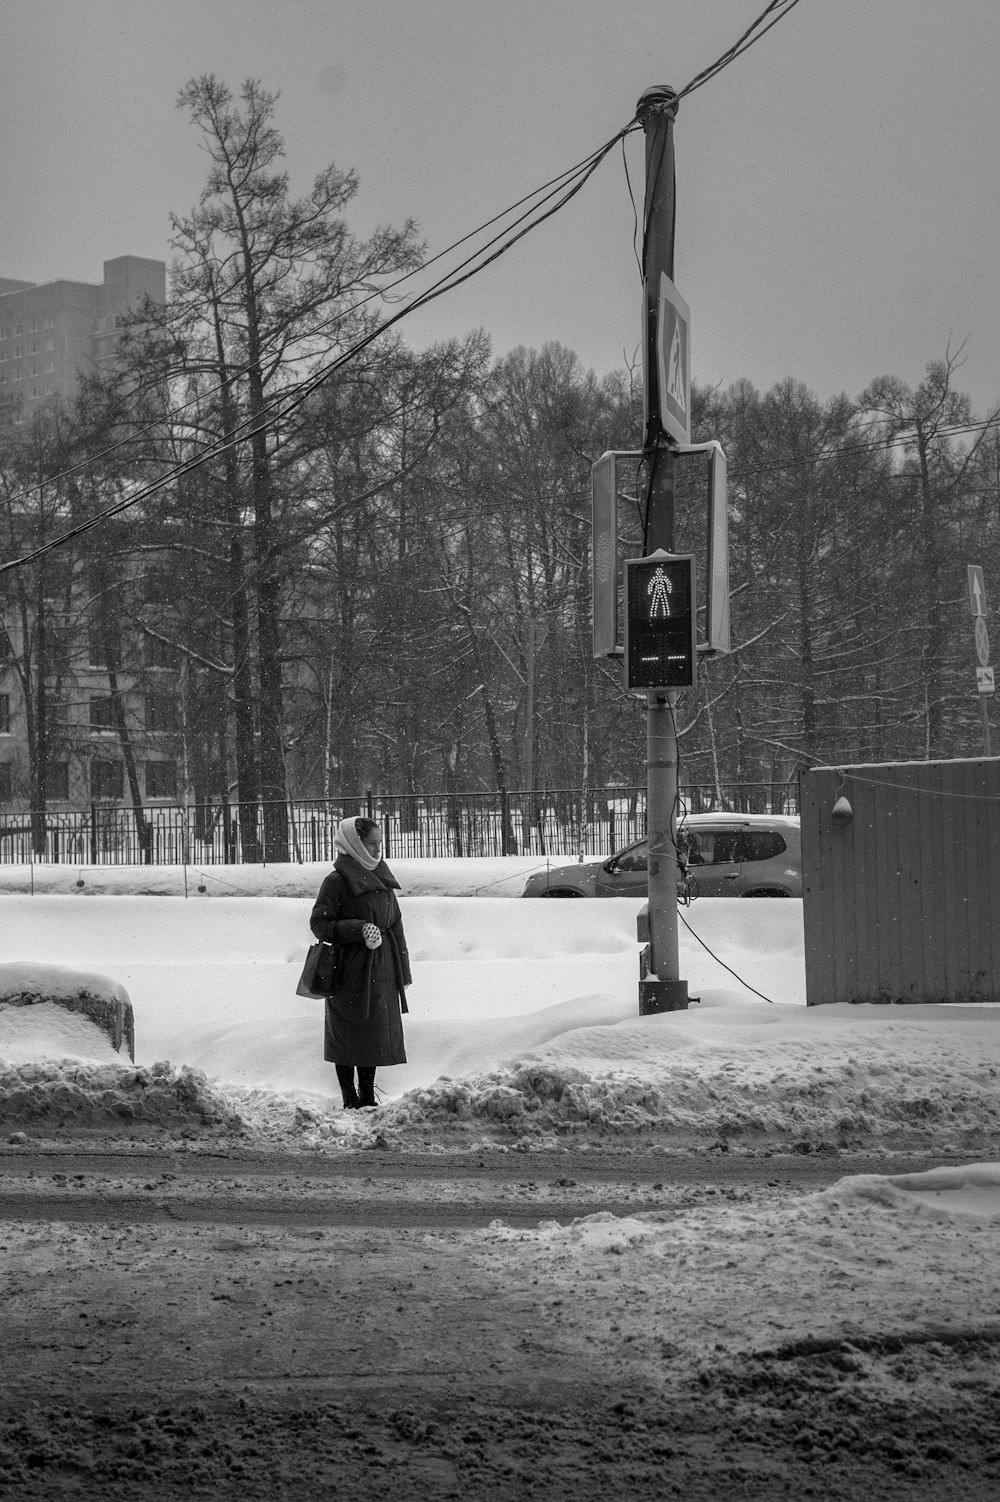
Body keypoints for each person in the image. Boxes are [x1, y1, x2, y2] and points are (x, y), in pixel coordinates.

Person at [310, 815, 412, 1110]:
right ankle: (348, 1096)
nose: (378, 849)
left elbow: (396, 924)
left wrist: (402, 971)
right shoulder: (337, 881)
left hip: (382, 969)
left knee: (372, 1032)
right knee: (346, 1032)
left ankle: (367, 1095)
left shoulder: (382, 875)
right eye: (371, 843)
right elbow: (320, 923)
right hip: (348, 970)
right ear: (355, 844)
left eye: (379, 843)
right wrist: (357, 930)